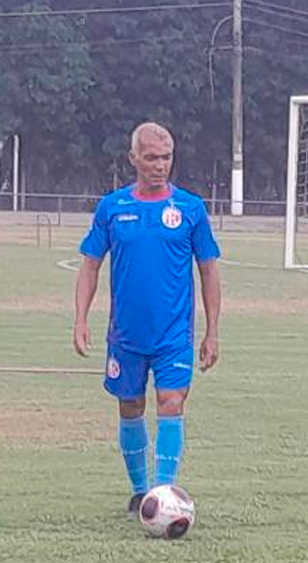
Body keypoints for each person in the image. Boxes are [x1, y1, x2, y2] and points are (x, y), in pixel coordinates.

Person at [73, 122, 222, 518]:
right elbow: (90, 266)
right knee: (130, 406)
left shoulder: (190, 209)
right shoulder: (112, 208)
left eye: (167, 157)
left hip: (174, 333)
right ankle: (140, 490)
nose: (160, 165)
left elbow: (208, 270)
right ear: (133, 159)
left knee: (171, 402)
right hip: (126, 334)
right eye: (152, 157)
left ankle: (162, 492)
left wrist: (212, 332)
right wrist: (80, 319)